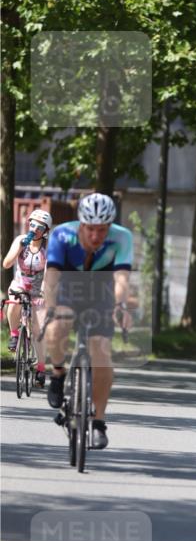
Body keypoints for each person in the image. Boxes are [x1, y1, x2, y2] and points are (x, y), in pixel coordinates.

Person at [43, 192, 133, 450]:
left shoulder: (122, 237)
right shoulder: (62, 235)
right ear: (81, 224)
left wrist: (119, 305)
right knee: (59, 323)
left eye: (102, 230)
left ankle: (98, 423)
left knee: (101, 351)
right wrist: (50, 307)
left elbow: (122, 278)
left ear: (110, 226)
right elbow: (51, 277)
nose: (96, 236)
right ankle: (58, 374)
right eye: (91, 229)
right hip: (68, 288)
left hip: (102, 293)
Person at [2, 209, 52, 387]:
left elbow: (48, 273)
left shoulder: (48, 246)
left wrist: (44, 292)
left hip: (39, 288)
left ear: (45, 231)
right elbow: (6, 263)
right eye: (32, 224)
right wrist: (19, 247)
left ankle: (40, 368)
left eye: (39, 227)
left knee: (38, 330)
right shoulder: (20, 240)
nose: (34, 229)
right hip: (20, 284)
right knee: (13, 301)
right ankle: (14, 334)